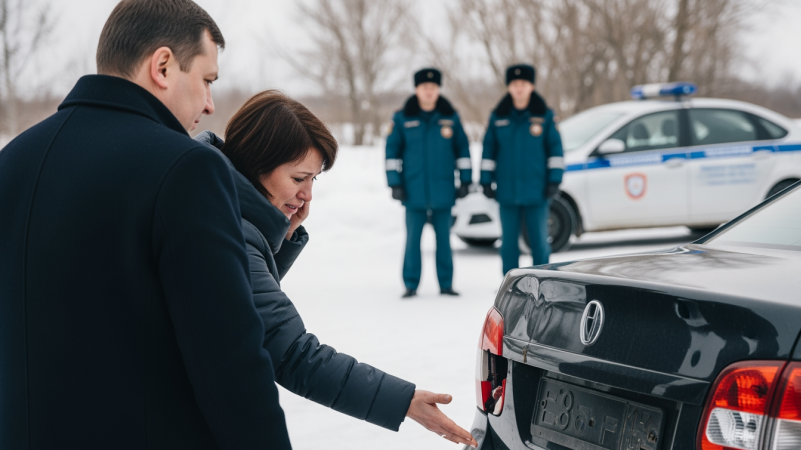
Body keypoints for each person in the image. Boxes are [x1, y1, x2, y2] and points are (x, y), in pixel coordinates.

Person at [0, 1, 292, 448]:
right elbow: (228, 361)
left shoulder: (14, 160)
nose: (211, 104)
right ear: (163, 66)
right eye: (207, 80)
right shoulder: (186, 168)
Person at [194, 91, 477, 448]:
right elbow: (293, 353)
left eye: (314, 180)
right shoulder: (227, 230)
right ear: (257, 164)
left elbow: (244, 304)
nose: (308, 194)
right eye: (299, 179)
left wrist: (283, 233)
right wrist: (404, 402)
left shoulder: (212, 200)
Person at [385, 68, 472, 298]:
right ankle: (410, 284)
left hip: (443, 191)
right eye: (425, 88)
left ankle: (446, 284)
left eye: (433, 88)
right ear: (417, 89)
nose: (429, 92)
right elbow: (391, 152)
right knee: (413, 241)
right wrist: (395, 183)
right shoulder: (402, 118)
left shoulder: (450, 117)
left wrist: (465, 180)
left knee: (444, 240)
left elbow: (462, 149)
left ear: (438, 90)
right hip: (413, 192)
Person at [480, 64, 565, 274]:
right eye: (515, 84)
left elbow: (555, 150)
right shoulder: (498, 116)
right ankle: (509, 287)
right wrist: (485, 179)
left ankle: (544, 282)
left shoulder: (544, 115)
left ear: (531, 86)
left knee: (539, 242)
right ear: (509, 87)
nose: (519, 88)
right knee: (508, 244)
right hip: (507, 192)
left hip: (537, 190)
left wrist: (554, 180)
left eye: (523, 84)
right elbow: (488, 150)